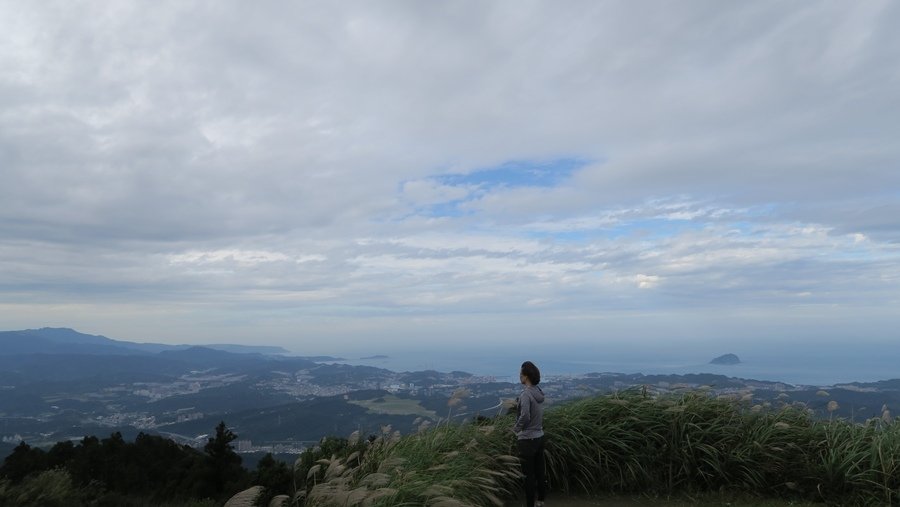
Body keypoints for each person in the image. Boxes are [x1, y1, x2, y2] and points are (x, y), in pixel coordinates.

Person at [513, 360, 546, 507]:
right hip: (539, 437)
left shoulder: (526, 394)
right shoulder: (538, 391)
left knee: (528, 476)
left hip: (527, 440)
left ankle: (530, 505)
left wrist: (515, 429)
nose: (519, 376)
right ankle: (541, 500)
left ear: (526, 376)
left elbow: (525, 416)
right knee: (539, 471)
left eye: (521, 373)